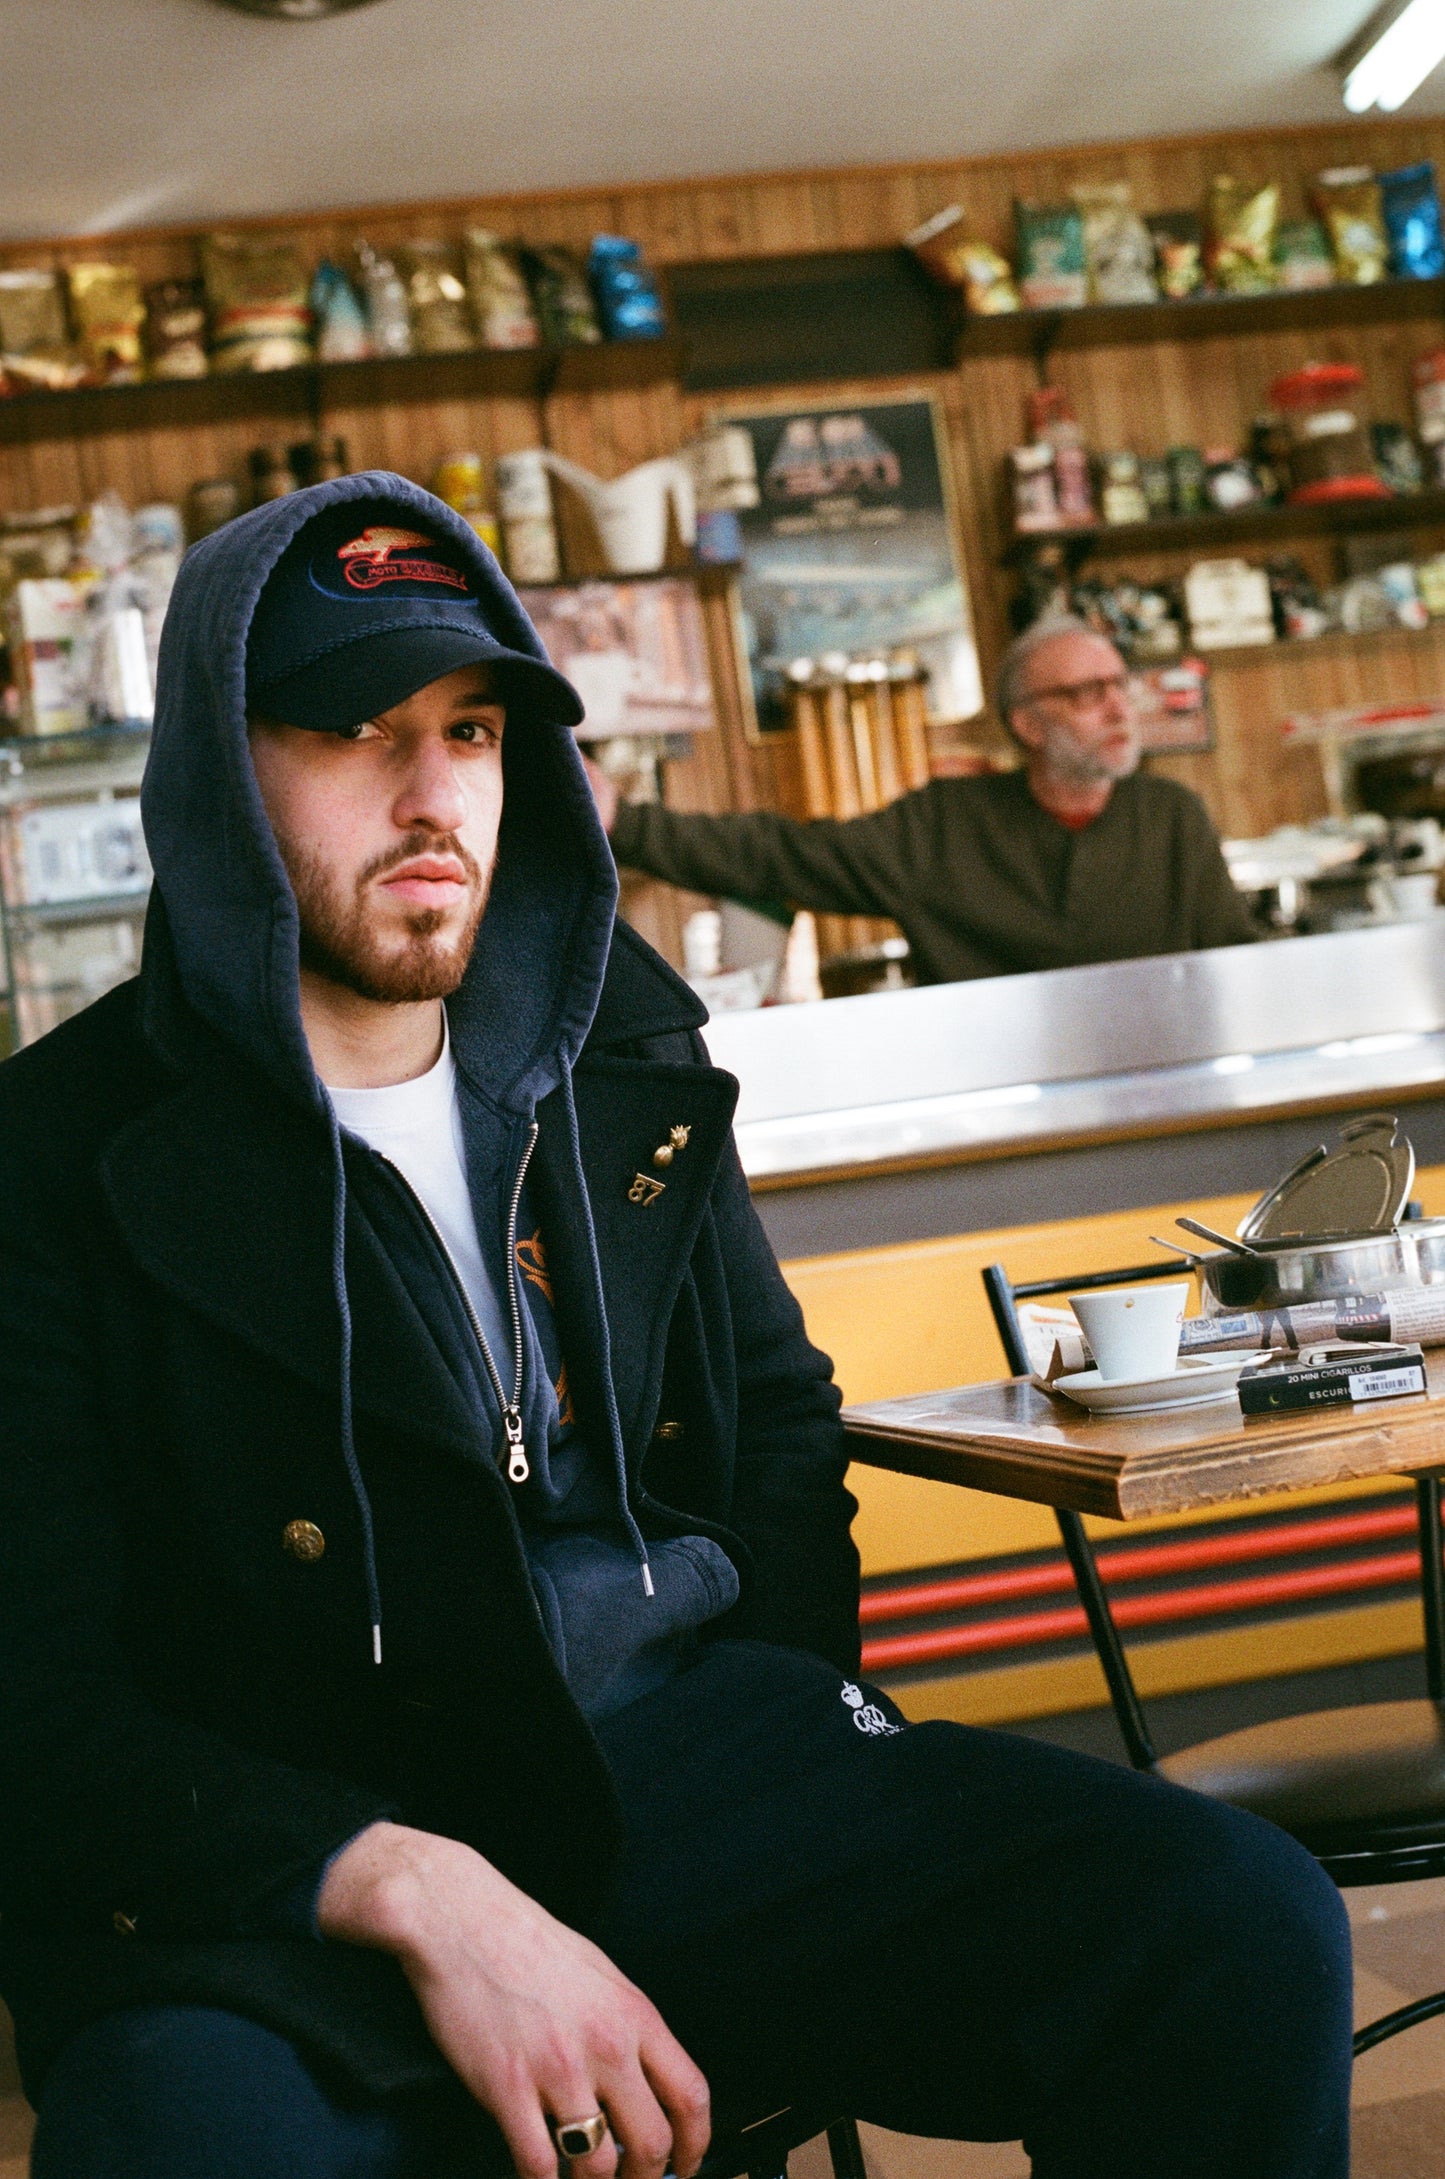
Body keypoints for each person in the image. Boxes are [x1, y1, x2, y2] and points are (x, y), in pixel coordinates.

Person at [0, 474, 1351, 2179]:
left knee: (1232, 1921)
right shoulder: (57, 1157)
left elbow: (781, 1427)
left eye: (474, 731)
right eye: (354, 730)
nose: (433, 797)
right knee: (180, 2141)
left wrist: (790, 1714)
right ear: (215, 767)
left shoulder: (617, 1044)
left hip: (683, 1761)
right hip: (297, 1842)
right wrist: (409, 1880)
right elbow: (33, 1696)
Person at [586, 617, 1258, 984]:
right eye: (1086, 692)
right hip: (1001, 1112)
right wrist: (626, 820)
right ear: (1025, 724)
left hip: (1168, 1093)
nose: (1119, 707)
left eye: (1119, 684)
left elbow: (1238, 964)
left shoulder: (1172, 815)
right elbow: (783, 857)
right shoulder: (944, 825)